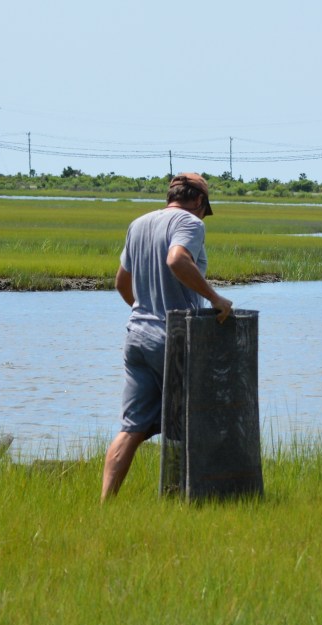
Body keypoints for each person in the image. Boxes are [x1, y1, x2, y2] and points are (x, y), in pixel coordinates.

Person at [101, 172, 233, 501]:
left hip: (136, 336)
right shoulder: (190, 222)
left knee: (131, 428)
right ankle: (192, 500)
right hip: (173, 338)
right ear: (199, 200)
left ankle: (105, 506)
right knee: (193, 420)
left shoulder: (139, 224)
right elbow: (176, 259)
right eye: (204, 209)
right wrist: (215, 299)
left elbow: (121, 283)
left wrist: (144, 308)